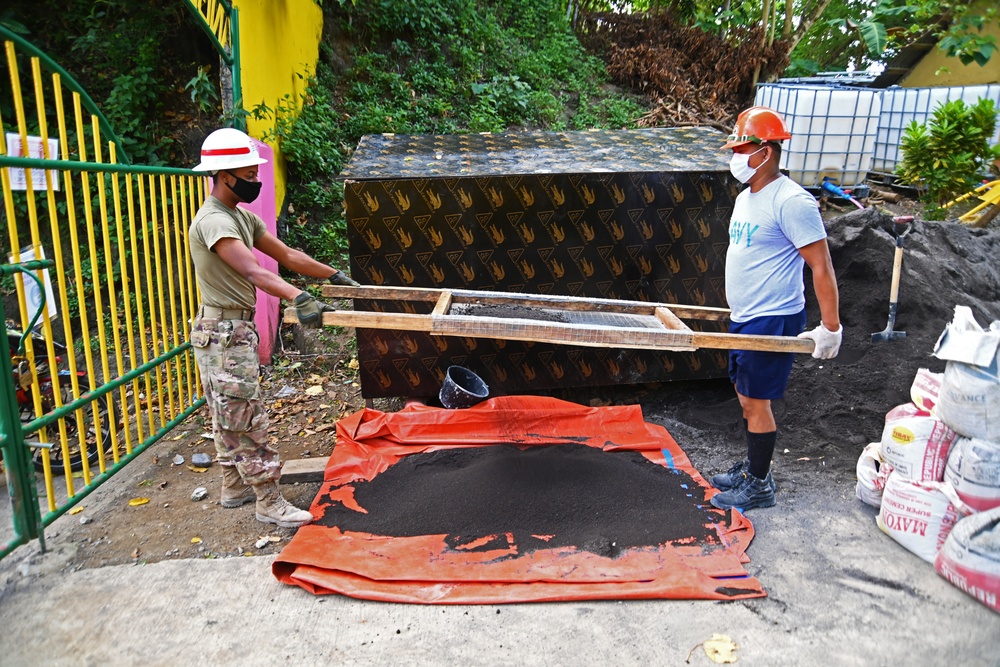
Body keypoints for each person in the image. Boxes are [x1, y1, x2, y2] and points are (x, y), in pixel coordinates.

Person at [189, 127, 360, 528]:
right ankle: (268, 501)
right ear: (224, 175)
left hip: (233, 331)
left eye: (255, 173)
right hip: (222, 332)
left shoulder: (241, 216)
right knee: (244, 417)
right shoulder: (214, 221)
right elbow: (252, 270)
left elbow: (285, 254)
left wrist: (332, 274)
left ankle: (234, 487)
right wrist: (297, 297)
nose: (255, 181)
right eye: (248, 175)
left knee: (228, 412)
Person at [709, 106, 842, 512]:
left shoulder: (792, 202)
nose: (737, 156)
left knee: (755, 401)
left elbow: (820, 265)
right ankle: (753, 466)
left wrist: (830, 327)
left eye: (744, 147)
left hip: (773, 315)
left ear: (766, 151)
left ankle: (760, 484)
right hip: (745, 314)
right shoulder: (748, 196)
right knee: (744, 392)